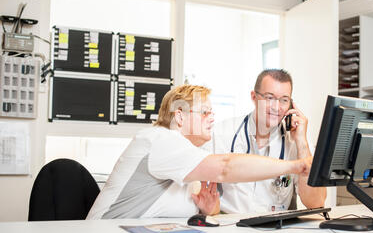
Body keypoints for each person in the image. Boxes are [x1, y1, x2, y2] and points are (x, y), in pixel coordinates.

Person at [87, 84, 313, 219]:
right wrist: (295, 166)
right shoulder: (160, 140)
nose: (212, 117)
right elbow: (225, 167)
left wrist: (207, 208)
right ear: (179, 116)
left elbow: (209, 207)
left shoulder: (190, 153)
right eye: (204, 112)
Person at [206, 69, 327, 214]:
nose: (276, 107)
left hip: (274, 230)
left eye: (284, 100)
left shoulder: (296, 142)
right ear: (254, 97)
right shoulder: (222, 133)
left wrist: (301, 142)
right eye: (270, 98)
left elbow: (316, 203)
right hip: (230, 225)